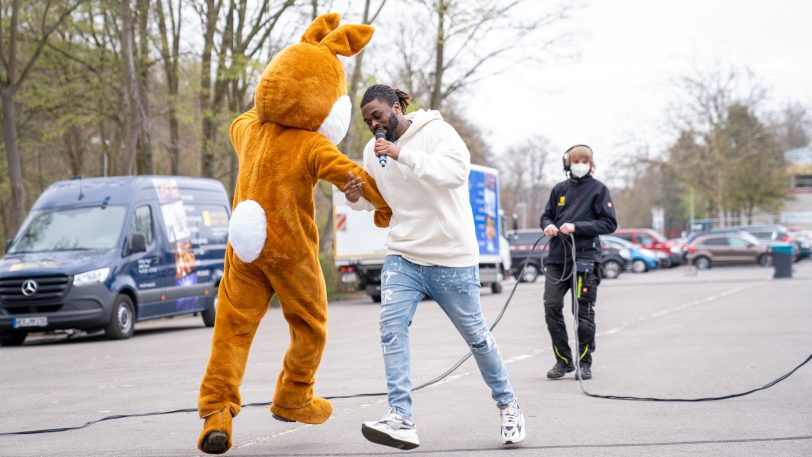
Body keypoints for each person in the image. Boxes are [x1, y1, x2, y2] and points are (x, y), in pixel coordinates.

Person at [341, 84, 526, 450]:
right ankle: (400, 418)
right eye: (367, 121)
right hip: (403, 253)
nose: (373, 125)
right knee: (390, 328)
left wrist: (401, 154)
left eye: (378, 116)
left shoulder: (438, 132)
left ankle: (508, 406)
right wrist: (355, 198)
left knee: (476, 337)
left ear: (396, 107)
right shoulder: (370, 150)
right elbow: (376, 200)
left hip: (450, 256)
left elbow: (455, 173)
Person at [539, 144, 617, 381]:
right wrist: (548, 226)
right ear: (568, 164)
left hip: (585, 259)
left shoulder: (599, 190)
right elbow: (546, 215)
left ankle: (584, 362)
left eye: (584, 161)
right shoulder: (558, 190)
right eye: (575, 161)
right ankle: (563, 361)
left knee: (583, 313)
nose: (579, 165)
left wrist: (577, 227)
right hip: (556, 259)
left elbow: (609, 224)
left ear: (591, 164)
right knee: (552, 307)